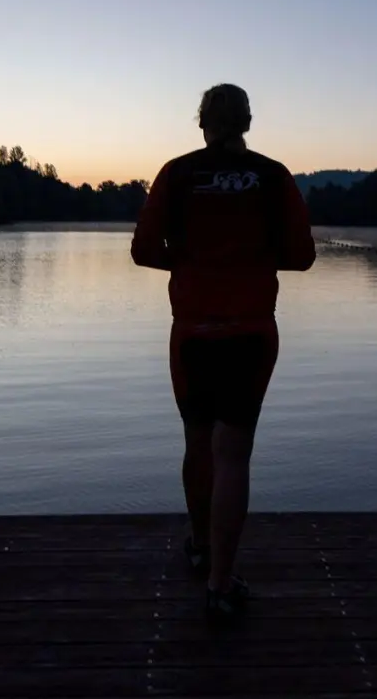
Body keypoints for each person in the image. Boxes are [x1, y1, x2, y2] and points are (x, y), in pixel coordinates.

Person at [131, 83, 316, 622]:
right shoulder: (272, 176)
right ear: (248, 123)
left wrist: (192, 263)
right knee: (233, 453)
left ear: (202, 122)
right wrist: (251, 260)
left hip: (192, 334)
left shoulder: (178, 174)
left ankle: (199, 544)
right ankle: (219, 584)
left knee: (197, 442)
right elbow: (303, 256)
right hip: (250, 335)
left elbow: (143, 251)